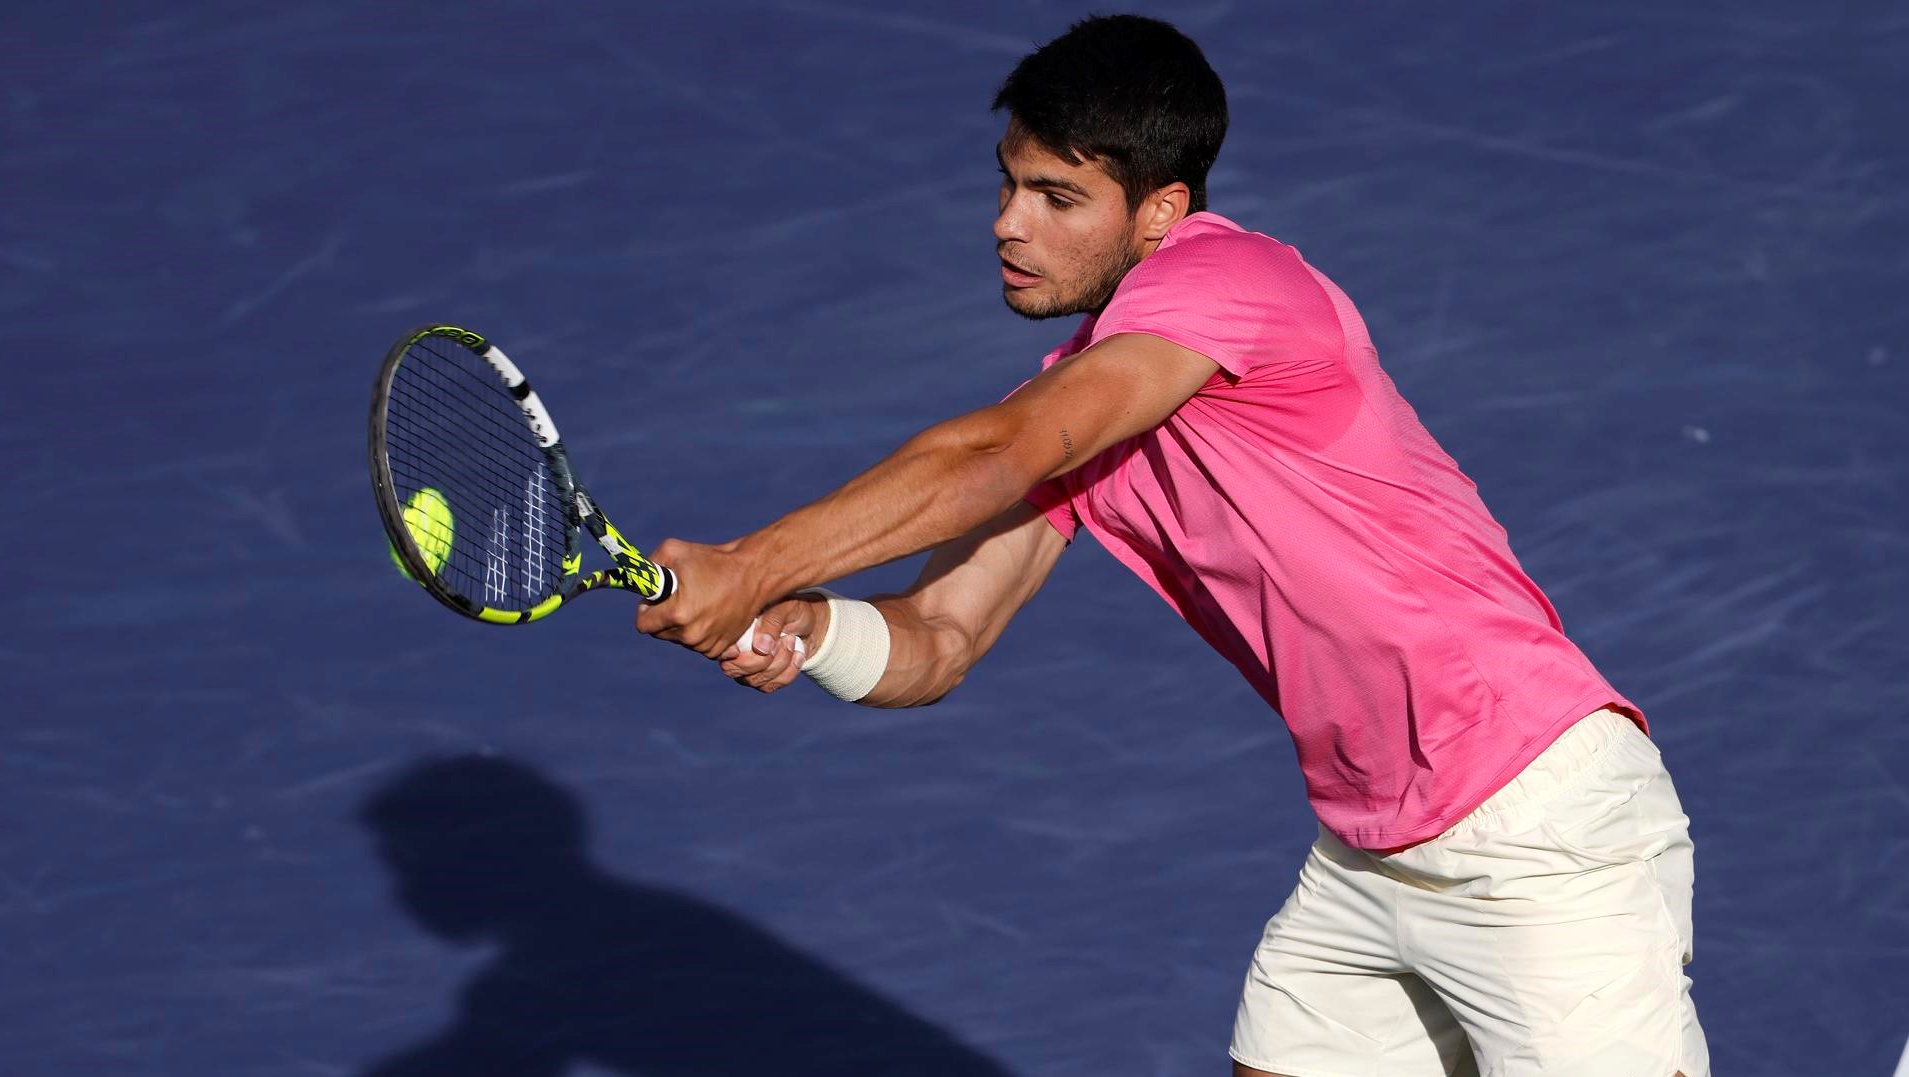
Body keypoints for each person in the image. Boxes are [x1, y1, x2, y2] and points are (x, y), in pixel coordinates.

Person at [636, 14, 1706, 1077]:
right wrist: (810, 630)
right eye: (1009, 185)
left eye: (1059, 199)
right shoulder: (1081, 402)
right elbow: (940, 638)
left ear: (1162, 213)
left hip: (1537, 826)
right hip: (1372, 846)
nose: (1011, 225)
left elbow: (997, 452)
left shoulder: (1228, 278)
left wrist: (759, 563)